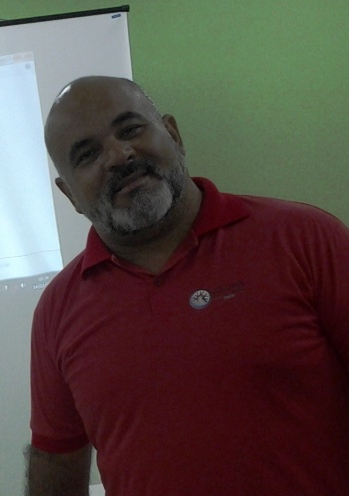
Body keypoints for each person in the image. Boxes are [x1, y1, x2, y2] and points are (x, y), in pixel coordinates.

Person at [26, 76, 349, 496]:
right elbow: (56, 464)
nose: (120, 155)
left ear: (173, 134)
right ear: (69, 194)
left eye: (131, 129)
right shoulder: (57, 311)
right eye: (87, 155)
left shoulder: (304, 238)